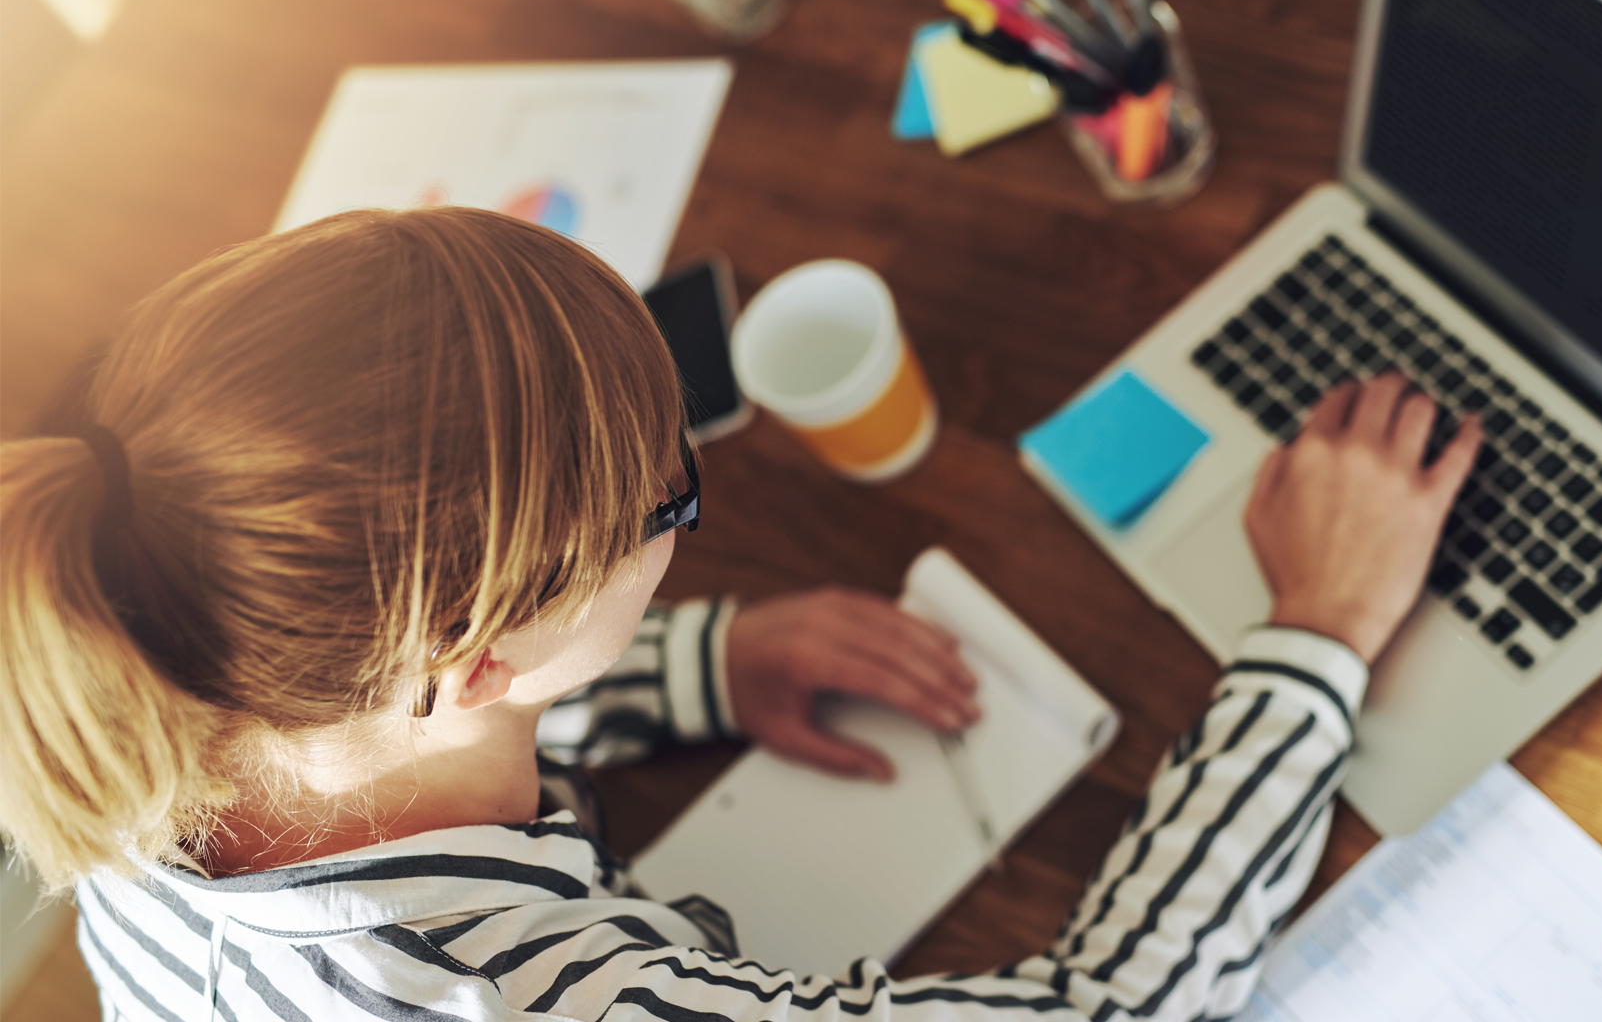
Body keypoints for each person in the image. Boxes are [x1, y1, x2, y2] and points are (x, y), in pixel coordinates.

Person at [0, 207, 1480, 1022]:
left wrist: (706, 663)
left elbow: (408, 719)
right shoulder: (555, 1005)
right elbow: (1110, 1011)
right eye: (673, 502)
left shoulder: (131, 693)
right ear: (478, 662)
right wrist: (1321, 631)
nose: (681, 525)